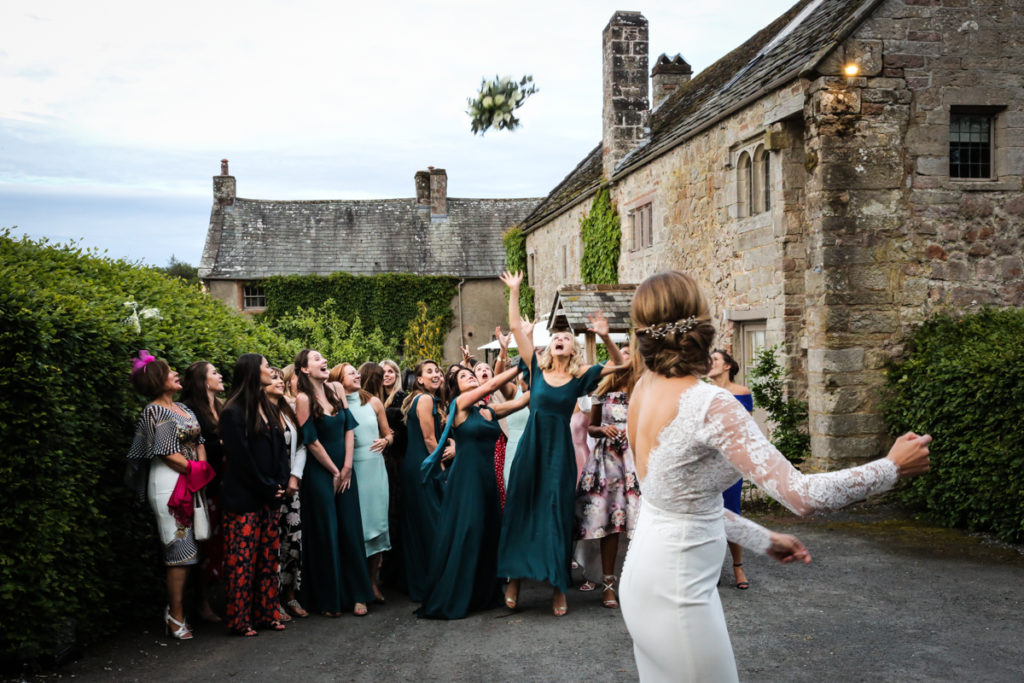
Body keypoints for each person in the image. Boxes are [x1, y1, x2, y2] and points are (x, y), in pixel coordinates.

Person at [620, 270, 932, 682]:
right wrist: (891, 468)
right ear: (700, 321)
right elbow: (801, 495)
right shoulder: (712, 403)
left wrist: (762, 539)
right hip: (678, 591)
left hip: (645, 577)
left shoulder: (643, 387)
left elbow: (680, 499)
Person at [497, 270, 624, 617]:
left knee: (554, 517)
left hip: (559, 456)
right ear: (549, 345)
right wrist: (515, 290)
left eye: (566, 337)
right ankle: (515, 581)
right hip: (530, 451)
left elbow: (620, 363)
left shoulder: (580, 378)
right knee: (521, 511)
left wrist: (606, 336)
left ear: (573, 349)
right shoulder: (534, 370)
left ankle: (557, 586)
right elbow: (514, 326)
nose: (560, 339)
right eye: (556, 336)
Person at [416, 364, 530, 619]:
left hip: (488, 478)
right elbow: (490, 385)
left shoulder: (489, 411)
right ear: (456, 386)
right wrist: (518, 365)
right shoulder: (459, 404)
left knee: (488, 532)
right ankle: (455, 594)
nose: (470, 377)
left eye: (472, 374)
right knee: (468, 531)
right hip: (466, 480)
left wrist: (548, 374)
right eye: (464, 376)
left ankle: (480, 594)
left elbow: (523, 402)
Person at [126, 351, 209, 640]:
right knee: (179, 551)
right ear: (157, 380)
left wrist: (201, 467)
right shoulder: (154, 411)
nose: (176, 373)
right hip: (169, 483)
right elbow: (166, 453)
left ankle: (190, 608)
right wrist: (197, 469)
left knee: (195, 549)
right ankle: (175, 615)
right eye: (169, 371)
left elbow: (199, 440)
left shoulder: (185, 409)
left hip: (192, 477)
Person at [295, 349, 373, 617]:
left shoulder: (337, 388)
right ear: (304, 369)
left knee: (350, 529)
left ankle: (359, 595)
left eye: (322, 358)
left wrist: (348, 466)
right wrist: (333, 470)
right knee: (326, 532)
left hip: (347, 469)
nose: (323, 361)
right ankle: (330, 598)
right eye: (316, 359)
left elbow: (349, 428)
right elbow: (311, 440)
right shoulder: (303, 398)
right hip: (320, 473)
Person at [219, 353, 290, 636]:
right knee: (243, 561)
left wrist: (281, 482)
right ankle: (240, 619)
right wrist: (267, 486)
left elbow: (279, 449)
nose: (270, 370)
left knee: (267, 560)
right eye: (264, 366)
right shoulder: (233, 411)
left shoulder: (267, 407)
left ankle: (267, 613)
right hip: (244, 497)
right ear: (252, 371)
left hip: (270, 495)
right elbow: (241, 459)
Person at [575, 346, 641, 608]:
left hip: (636, 461)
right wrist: (605, 429)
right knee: (611, 526)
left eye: (628, 352)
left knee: (642, 525)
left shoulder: (642, 391)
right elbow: (590, 428)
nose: (625, 356)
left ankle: (640, 583)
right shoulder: (601, 392)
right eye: (621, 353)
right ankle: (608, 585)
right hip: (609, 464)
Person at [338, 362, 393, 602]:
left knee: (376, 523)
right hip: (350, 469)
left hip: (374, 468)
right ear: (338, 379)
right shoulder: (334, 404)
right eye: (351, 373)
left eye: (356, 372)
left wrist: (387, 441)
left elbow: (388, 432)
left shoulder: (373, 402)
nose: (357, 375)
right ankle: (355, 585)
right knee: (355, 526)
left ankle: (372, 582)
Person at [179, 360, 225, 623]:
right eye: (214, 373)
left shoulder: (220, 407)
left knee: (217, 544)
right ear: (202, 381)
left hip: (224, 482)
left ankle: (212, 596)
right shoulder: (190, 410)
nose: (219, 376)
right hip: (204, 486)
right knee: (203, 544)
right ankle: (201, 601)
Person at [399, 359, 447, 602]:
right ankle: (434, 584)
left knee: (422, 525)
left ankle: (423, 583)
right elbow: (429, 439)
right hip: (424, 466)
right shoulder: (426, 399)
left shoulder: (423, 399)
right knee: (433, 524)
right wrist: (440, 469)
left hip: (416, 465)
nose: (436, 374)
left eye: (437, 370)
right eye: (430, 372)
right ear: (419, 379)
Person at [708, 348, 754, 590]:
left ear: (727, 366)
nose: (710, 363)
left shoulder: (741, 392)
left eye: (715, 359)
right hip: (705, 459)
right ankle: (708, 569)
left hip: (729, 461)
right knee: (705, 514)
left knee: (732, 512)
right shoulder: (702, 393)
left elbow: (745, 427)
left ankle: (738, 566)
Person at [265, 366, 308, 620]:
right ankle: (272, 599)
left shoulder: (287, 410)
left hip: (292, 484)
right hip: (271, 486)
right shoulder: (259, 411)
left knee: (292, 543)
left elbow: (301, 444)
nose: (280, 381)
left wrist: (296, 476)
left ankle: (290, 595)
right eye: (273, 378)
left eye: (281, 378)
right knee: (271, 544)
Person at [377, 359, 408, 592]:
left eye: (390, 371)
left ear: (397, 374)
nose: (386, 375)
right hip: (378, 460)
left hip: (397, 460)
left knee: (396, 513)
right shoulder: (372, 397)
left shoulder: (402, 398)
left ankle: (395, 573)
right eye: (383, 372)